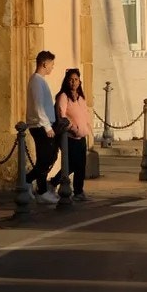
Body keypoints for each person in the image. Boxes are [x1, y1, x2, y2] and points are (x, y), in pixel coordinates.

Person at [25, 51, 59, 204]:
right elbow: (38, 106)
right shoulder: (36, 81)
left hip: (43, 124)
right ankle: (30, 182)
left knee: (48, 157)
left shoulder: (40, 81)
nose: (52, 67)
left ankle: (40, 189)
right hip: (39, 125)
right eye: (51, 64)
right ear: (44, 64)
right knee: (46, 158)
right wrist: (47, 127)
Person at [55, 68, 92, 201]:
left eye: (76, 79)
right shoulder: (63, 97)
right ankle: (54, 182)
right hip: (70, 137)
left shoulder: (81, 98)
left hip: (81, 137)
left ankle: (78, 191)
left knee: (81, 165)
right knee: (72, 164)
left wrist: (88, 130)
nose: (74, 82)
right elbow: (61, 116)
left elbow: (85, 115)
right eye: (71, 79)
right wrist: (73, 128)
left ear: (79, 81)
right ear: (66, 81)